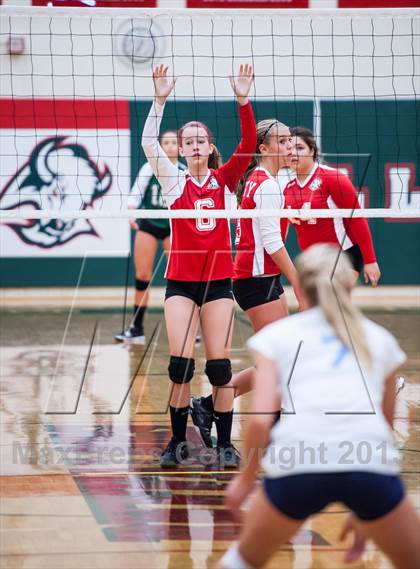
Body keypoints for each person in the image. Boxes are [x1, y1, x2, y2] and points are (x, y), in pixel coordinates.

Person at [216, 244, 419, 569]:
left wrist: (245, 480)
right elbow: (383, 425)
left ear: (301, 288)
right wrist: (370, 508)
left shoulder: (278, 337)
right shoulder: (379, 339)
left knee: (242, 561)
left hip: (300, 463)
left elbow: (259, 422)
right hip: (368, 466)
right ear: (349, 287)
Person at [141, 63, 257, 468]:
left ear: (209, 148)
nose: (192, 146)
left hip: (218, 284)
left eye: (199, 141)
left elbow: (247, 140)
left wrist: (242, 99)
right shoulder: (173, 182)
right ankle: (177, 442)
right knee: (180, 365)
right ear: (181, 149)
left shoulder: (225, 181)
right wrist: (159, 100)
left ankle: (225, 444)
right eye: (187, 141)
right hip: (181, 284)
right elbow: (148, 142)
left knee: (221, 367)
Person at [191, 119, 304, 448]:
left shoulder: (261, 179)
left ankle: (208, 405)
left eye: (291, 141)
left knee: (279, 360)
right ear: (264, 149)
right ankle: (275, 433)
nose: (289, 147)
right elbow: (270, 242)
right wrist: (300, 282)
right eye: (281, 142)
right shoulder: (266, 184)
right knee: (281, 360)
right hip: (257, 279)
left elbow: (265, 230)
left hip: (260, 277)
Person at [285, 126, 381, 286]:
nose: (293, 153)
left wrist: (370, 260)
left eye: (299, 148)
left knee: (331, 301)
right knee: (311, 307)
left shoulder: (332, 177)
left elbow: (356, 219)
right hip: (312, 260)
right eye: (289, 149)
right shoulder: (287, 187)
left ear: (312, 151)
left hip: (342, 256)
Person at [114, 131, 185, 344]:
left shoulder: (183, 171)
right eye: (167, 143)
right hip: (150, 223)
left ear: (180, 148)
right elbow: (134, 195)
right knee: (143, 274)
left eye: (175, 142)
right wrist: (131, 211)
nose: (171, 146)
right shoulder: (149, 168)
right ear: (160, 147)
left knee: (181, 277)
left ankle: (191, 327)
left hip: (174, 225)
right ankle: (136, 328)